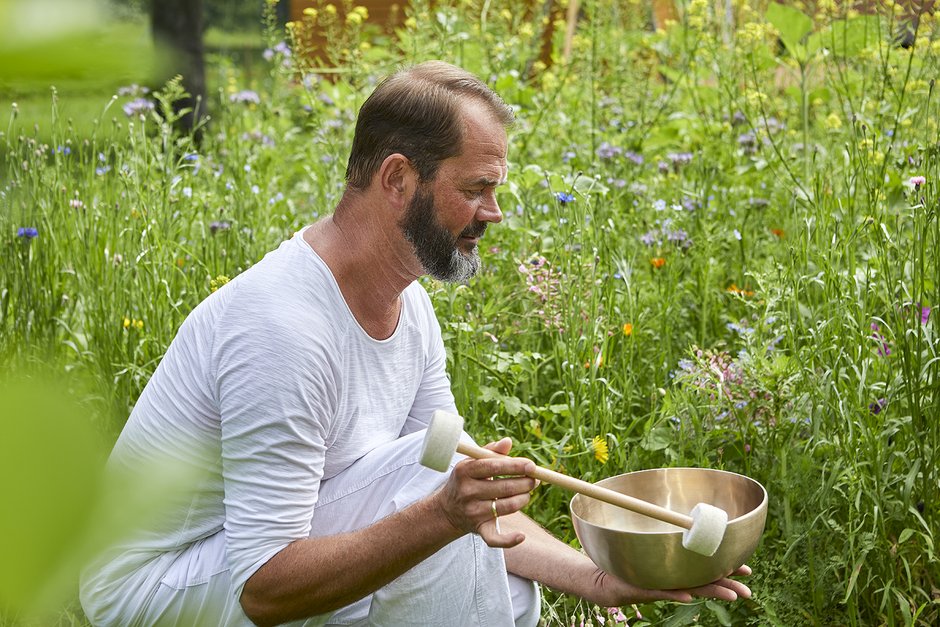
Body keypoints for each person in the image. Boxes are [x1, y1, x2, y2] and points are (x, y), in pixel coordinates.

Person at [79, 61, 751, 627]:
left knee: (475, 529)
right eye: (475, 189)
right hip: (152, 584)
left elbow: (452, 481)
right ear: (397, 179)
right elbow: (264, 586)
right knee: (439, 510)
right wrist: (440, 515)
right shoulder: (283, 328)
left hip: (258, 555)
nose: (493, 213)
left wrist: (599, 578)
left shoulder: (412, 311)